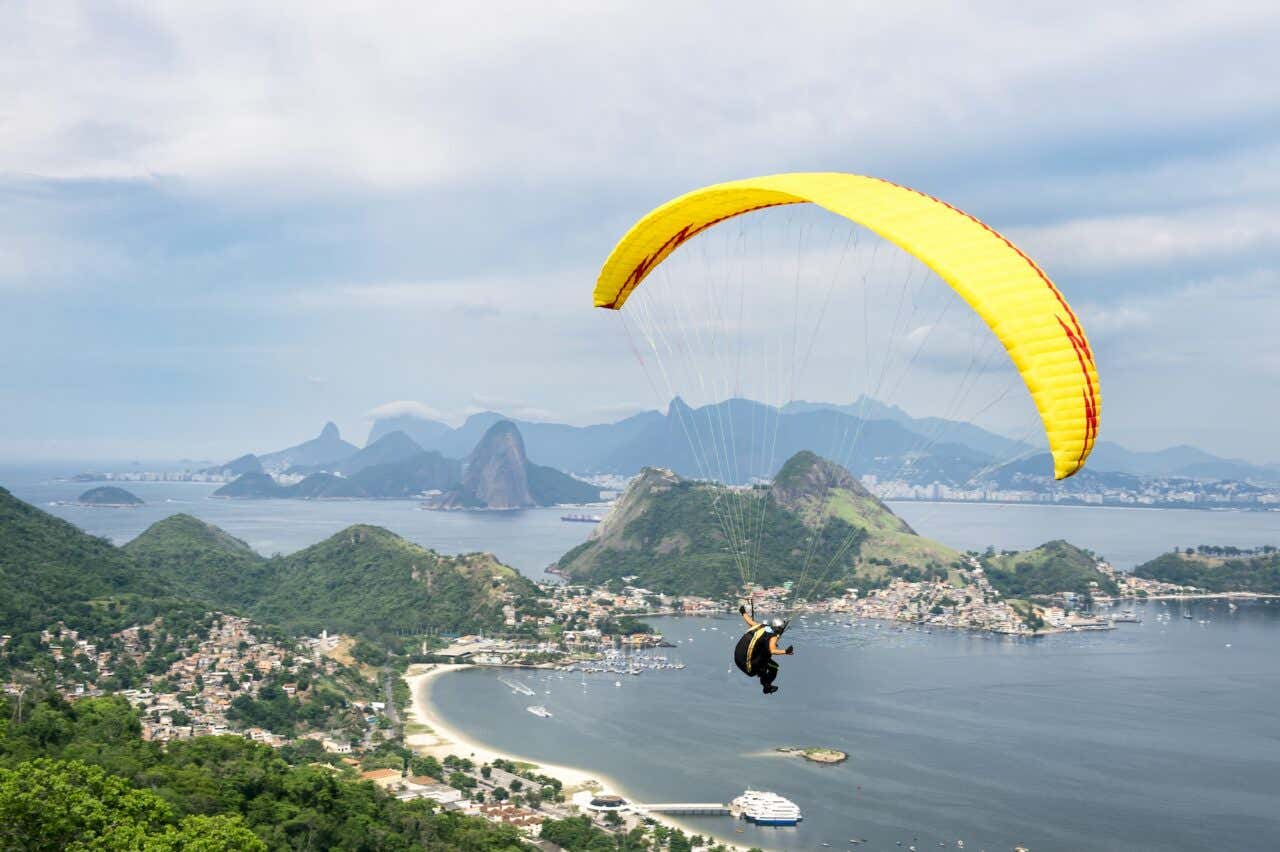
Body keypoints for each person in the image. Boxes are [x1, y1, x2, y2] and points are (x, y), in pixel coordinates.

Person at [734, 604, 794, 694]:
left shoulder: (760, 626)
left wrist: (743, 612)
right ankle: (767, 686)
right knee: (774, 667)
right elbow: (772, 650)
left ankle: (762, 673)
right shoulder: (772, 636)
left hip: (738, 659)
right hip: (748, 667)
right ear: (778, 629)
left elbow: (749, 621)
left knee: (764, 657)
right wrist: (785, 651)